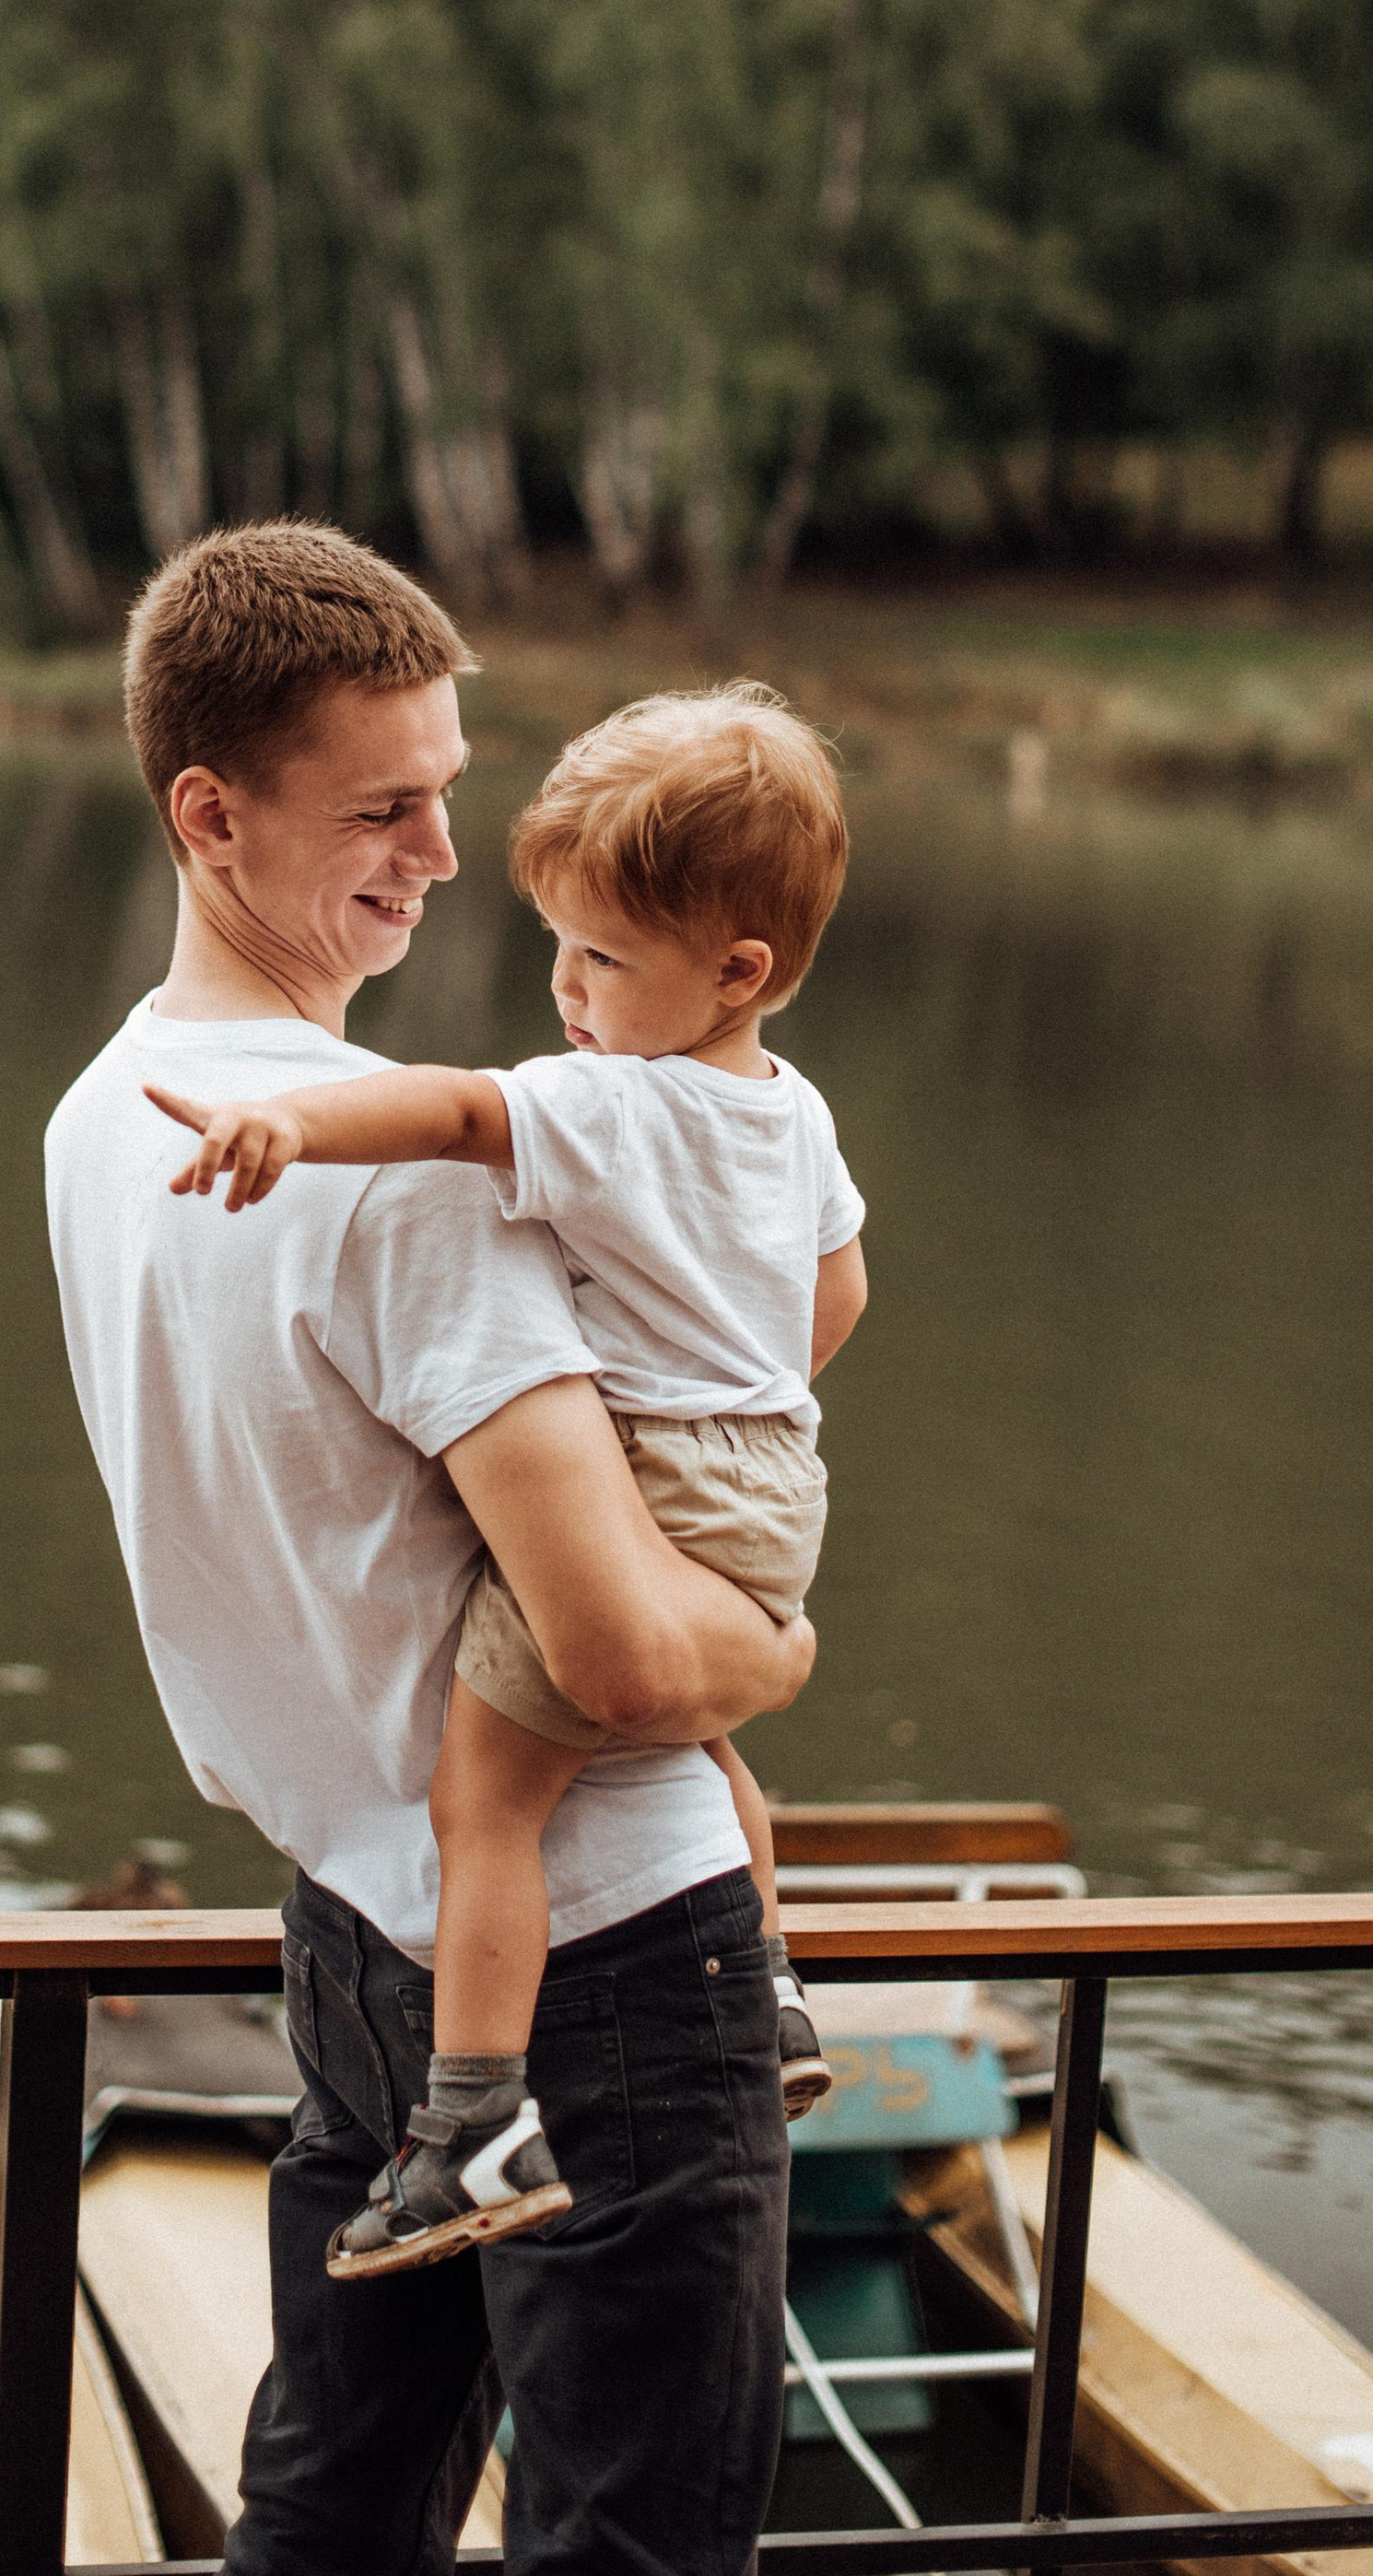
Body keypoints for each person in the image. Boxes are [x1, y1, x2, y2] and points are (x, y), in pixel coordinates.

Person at [44, 521, 815, 2576]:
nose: (442, 856)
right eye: (383, 807)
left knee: (331, 2512)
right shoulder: (400, 1174)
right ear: (208, 815)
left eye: (447, 790)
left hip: (367, 1933)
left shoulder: (105, 1110)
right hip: (613, 1967)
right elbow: (632, 1661)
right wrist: (781, 1659)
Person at [147, 684, 867, 2279]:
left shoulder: (613, 1102)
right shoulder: (790, 1104)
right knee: (711, 1737)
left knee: (487, 1803)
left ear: (735, 968)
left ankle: (470, 2119)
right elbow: (841, 1293)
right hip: (772, 1470)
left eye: (601, 957)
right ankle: (774, 1978)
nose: (564, 987)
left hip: (661, 1465)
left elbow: (462, 1108)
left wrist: (289, 1123)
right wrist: (741, 1403)